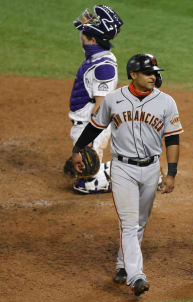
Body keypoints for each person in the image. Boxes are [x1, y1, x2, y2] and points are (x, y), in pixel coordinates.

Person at [71, 53, 183, 296]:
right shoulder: (113, 99)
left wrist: (171, 172)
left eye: (155, 72)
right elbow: (95, 126)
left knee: (139, 222)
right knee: (130, 223)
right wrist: (77, 148)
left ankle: (122, 265)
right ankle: (136, 276)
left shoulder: (166, 102)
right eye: (148, 73)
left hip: (152, 169)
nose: (154, 76)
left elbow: (173, 139)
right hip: (122, 169)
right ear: (133, 75)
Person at [69, 5, 123, 194]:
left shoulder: (104, 67)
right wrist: (88, 21)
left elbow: (101, 106)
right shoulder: (97, 54)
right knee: (84, 168)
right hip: (83, 121)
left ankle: (134, 175)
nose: (81, 35)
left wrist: (90, 138)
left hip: (91, 123)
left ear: (92, 40)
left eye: (84, 34)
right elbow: (81, 27)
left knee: (85, 182)